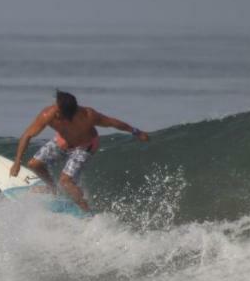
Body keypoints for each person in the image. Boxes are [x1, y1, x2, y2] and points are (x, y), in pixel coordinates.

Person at [10, 90, 150, 213]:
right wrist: (17, 162)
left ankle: (86, 210)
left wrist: (136, 132)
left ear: (69, 112)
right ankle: (53, 188)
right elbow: (27, 135)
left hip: (85, 147)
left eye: (58, 110)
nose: (55, 111)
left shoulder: (88, 115)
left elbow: (113, 123)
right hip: (63, 141)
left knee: (66, 181)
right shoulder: (48, 114)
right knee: (34, 164)